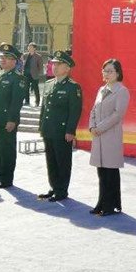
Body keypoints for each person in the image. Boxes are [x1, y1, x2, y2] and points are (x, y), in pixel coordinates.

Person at [38, 50, 83, 202]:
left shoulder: (73, 87)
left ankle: (62, 190)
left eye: (59, 64)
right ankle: (54, 187)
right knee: (51, 160)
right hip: (49, 128)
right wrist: (41, 126)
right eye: (53, 64)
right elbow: (44, 108)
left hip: (62, 131)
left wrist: (70, 130)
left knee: (62, 161)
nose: (54, 67)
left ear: (67, 68)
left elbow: (75, 111)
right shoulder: (49, 84)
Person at [88, 59, 130, 216]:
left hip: (110, 136)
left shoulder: (122, 91)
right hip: (98, 136)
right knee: (101, 172)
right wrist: (92, 126)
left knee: (110, 172)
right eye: (104, 70)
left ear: (118, 73)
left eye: (110, 71)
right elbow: (93, 110)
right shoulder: (102, 89)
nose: (106, 74)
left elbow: (117, 115)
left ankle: (111, 205)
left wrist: (99, 128)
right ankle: (101, 203)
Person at [0, 44, 26, 188]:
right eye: (1, 57)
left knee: (7, 150)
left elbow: (16, 102)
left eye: (7, 57)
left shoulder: (18, 78)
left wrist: (12, 120)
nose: (2, 60)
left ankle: (7, 179)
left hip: (6, 120)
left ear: (14, 61)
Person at [22, 42, 43, 106]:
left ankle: (37, 102)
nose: (29, 48)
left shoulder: (38, 56)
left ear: (34, 48)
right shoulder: (25, 55)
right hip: (26, 74)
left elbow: (40, 66)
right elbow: (23, 63)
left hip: (34, 75)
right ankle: (27, 101)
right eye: (28, 46)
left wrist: (39, 73)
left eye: (31, 47)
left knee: (36, 88)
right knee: (26, 88)